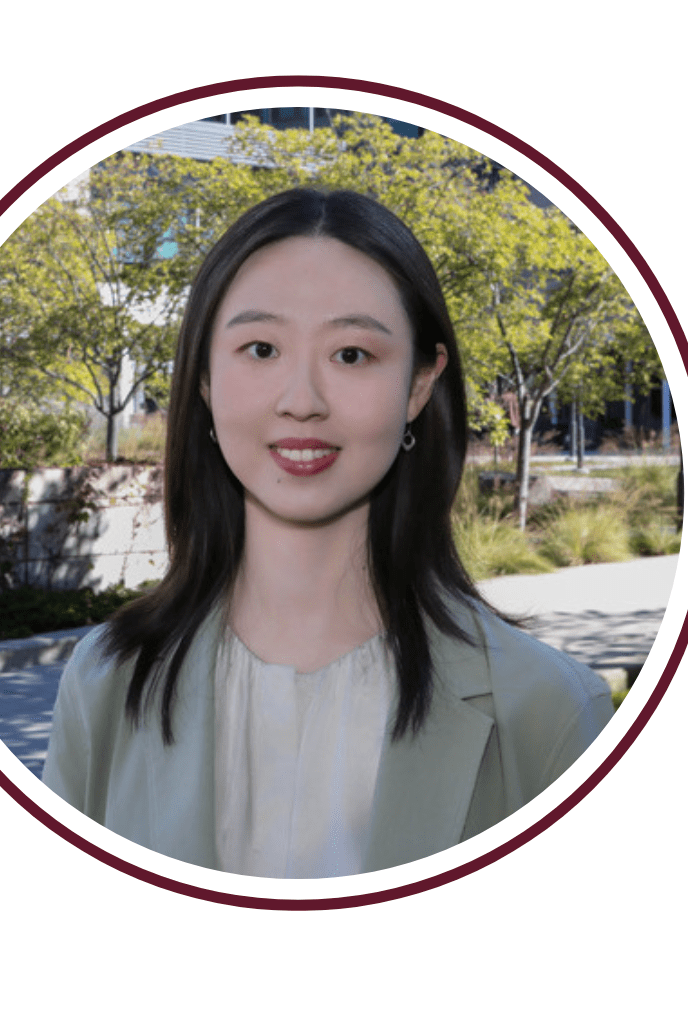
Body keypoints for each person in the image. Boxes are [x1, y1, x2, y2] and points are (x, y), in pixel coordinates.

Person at [41, 188, 613, 878]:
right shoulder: (106, 684)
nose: (302, 400)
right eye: (260, 349)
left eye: (351, 355)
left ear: (419, 386)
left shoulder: (548, 710)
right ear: (202, 380)